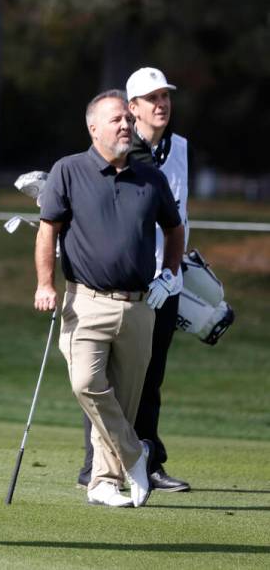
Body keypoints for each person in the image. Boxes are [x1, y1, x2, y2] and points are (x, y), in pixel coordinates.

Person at [34, 89, 184, 507]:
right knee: (86, 383)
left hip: (140, 306)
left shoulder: (149, 176)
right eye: (116, 119)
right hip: (86, 301)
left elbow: (174, 229)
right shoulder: (69, 170)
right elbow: (48, 230)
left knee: (125, 401)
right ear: (93, 126)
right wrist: (45, 284)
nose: (125, 125)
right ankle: (137, 455)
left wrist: (169, 275)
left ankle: (104, 481)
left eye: (127, 120)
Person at [76, 68, 192, 493]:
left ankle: (149, 458)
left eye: (165, 96)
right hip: (126, 282)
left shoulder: (180, 148)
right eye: (151, 98)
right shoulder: (119, 153)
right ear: (132, 107)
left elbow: (180, 222)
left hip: (167, 283)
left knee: (149, 379)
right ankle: (96, 464)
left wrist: (176, 272)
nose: (161, 104)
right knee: (102, 377)